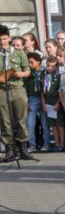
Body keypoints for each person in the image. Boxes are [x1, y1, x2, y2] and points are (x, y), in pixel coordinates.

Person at [0, 32, 33, 162]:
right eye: (0, 39)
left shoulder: (18, 53)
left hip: (18, 88)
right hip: (2, 90)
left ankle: (23, 147)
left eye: (4, 39)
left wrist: (21, 73)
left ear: (8, 38)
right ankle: (9, 148)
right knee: (5, 120)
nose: (2, 42)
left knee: (21, 118)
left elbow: (28, 70)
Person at [25, 52, 49, 152]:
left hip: (43, 98)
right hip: (32, 98)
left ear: (38, 62)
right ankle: (32, 145)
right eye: (28, 63)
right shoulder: (27, 73)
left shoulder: (44, 72)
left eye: (32, 62)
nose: (30, 65)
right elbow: (25, 88)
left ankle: (46, 144)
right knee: (30, 123)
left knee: (44, 123)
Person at [41, 56, 65, 152]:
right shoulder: (44, 75)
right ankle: (57, 142)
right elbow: (42, 91)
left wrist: (58, 103)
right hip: (47, 102)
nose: (49, 68)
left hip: (56, 102)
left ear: (56, 67)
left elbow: (61, 91)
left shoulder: (59, 76)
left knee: (59, 124)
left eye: (52, 66)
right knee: (53, 125)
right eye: (48, 65)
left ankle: (62, 143)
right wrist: (43, 103)